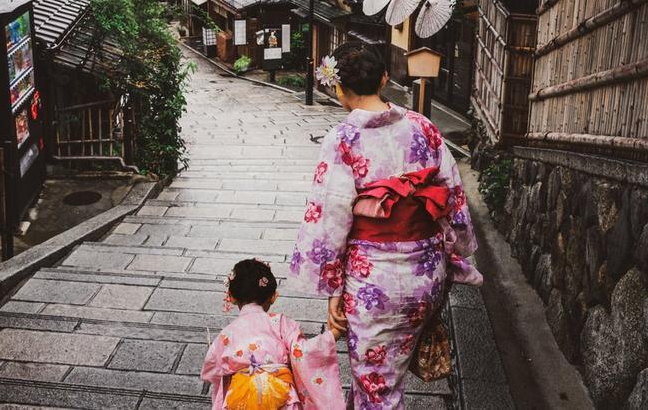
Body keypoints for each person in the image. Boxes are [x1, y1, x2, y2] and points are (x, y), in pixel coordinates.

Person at [293, 42, 482, 409]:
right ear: (383, 78)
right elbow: (453, 197)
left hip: (373, 283)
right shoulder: (423, 127)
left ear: (338, 87)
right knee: (377, 378)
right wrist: (457, 249)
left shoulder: (343, 140)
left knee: (379, 390)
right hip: (426, 277)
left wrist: (333, 287)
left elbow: (329, 219)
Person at [201, 258, 346, 410]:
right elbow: (303, 352)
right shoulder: (281, 323)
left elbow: (210, 371)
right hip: (281, 396)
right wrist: (334, 333)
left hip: (240, 398)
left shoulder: (226, 334)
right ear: (272, 296)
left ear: (231, 297)